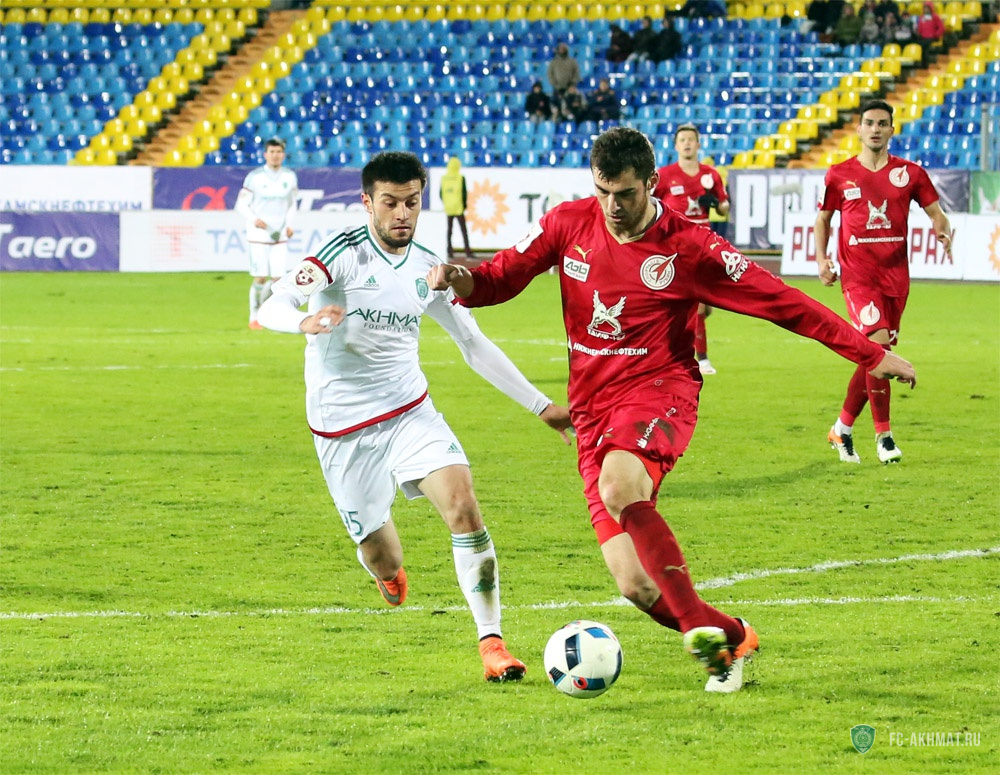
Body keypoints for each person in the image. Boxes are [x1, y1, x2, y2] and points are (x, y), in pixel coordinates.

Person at [428, 126, 918, 693]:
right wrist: (461, 277)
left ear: (651, 184)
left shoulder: (690, 246)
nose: (612, 206)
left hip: (661, 391)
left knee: (619, 487)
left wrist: (869, 353)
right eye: (603, 191)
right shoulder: (568, 222)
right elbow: (498, 279)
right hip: (592, 411)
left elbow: (785, 303)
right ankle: (732, 635)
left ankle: (699, 636)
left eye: (625, 194)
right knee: (635, 585)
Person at [257, 151, 572, 683]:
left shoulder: (430, 266)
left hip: (409, 412)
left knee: (463, 506)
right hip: (343, 430)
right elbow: (272, 303)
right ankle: (386, 571)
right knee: (382, 555)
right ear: (367, 203)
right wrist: (303, 321)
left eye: (412, 202)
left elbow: (473, 343)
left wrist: (541, 406)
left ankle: (492, 643)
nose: (402, 213)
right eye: (390, 203)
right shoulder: (341, 255)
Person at [814, 99, 950, 465]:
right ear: (858, 129)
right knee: (876, 345)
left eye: (882, 123)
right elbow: (823, 219)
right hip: (858, 277)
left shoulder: (911, 173)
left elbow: (937, 214)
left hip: (896, 279)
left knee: (874, 357)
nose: (875, 129)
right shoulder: (839, 174)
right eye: (869, 123)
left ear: (892, 129)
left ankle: (841, 429)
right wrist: (822, 258)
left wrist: (943, 232)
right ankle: (884, 437)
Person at [652, 124, 730, 375]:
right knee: (694, 304)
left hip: (704, 244)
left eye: (690, 139)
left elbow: (725, 207)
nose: (686, 143)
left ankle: (678, 346)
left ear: (698, 144)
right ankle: (702, 359)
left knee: (703, 306)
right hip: (674, 245)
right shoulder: (664, 176)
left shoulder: (710, 174)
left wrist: (715, 203)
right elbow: (650, 204)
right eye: (682, 139)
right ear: (676, 145)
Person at [236, 137, 298, 330]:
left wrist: (289, 224)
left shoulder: (289, 177)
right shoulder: (255, 177)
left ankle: (264, 312)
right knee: (260, 277)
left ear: (283, 155)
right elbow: (241, 205)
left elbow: (292, 204)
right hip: (259, 236)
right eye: (272, 152)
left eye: (278, 152)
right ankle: (253, 315)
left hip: (280, 235)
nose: (275, 155)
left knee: (278, 280)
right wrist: (254, 219)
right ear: (265, 154)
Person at [440, 155, 473, 260]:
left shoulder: (444, 178)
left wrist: (446, 203)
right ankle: (468, 252)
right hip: (458, 207)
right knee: (463, 230)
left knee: (449, 231)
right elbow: (464, 193)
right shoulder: (460, 178)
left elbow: (441, 193)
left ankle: (449, 252)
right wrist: (464, 205)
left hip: (448, 207)